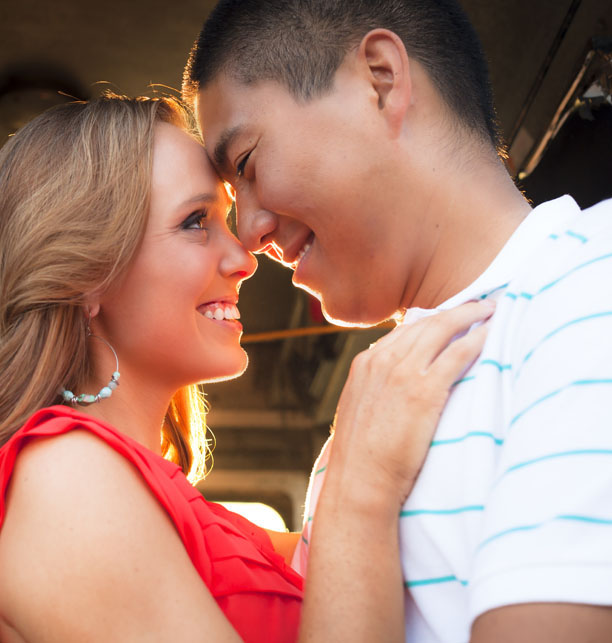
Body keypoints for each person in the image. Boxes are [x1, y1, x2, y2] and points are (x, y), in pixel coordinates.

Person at [0, 93, 492, 642]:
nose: (244, 257)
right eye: (196, 222)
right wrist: (362, 490)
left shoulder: (185, 516)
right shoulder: (62, 478)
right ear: (84, 275)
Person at [183, 0, 612, 640]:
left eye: (246, 164)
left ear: (380, 80)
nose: (248, 233)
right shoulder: (366, 423)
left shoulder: (592, 283)